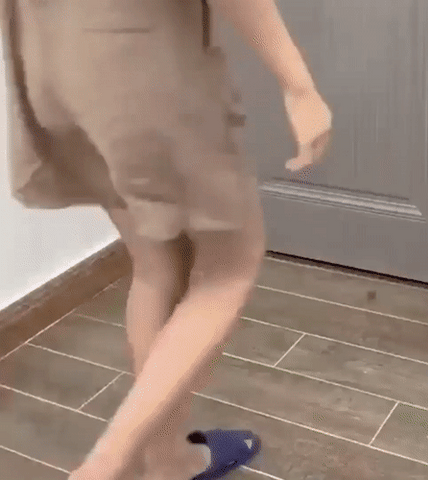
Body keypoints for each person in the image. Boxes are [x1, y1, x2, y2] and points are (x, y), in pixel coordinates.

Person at [1, 0, 332, 478]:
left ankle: (167, 460)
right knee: (230, 266)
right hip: (137, 65)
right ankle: (103, 468)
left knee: (157, 264)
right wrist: (299, 86)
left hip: (51, 65)